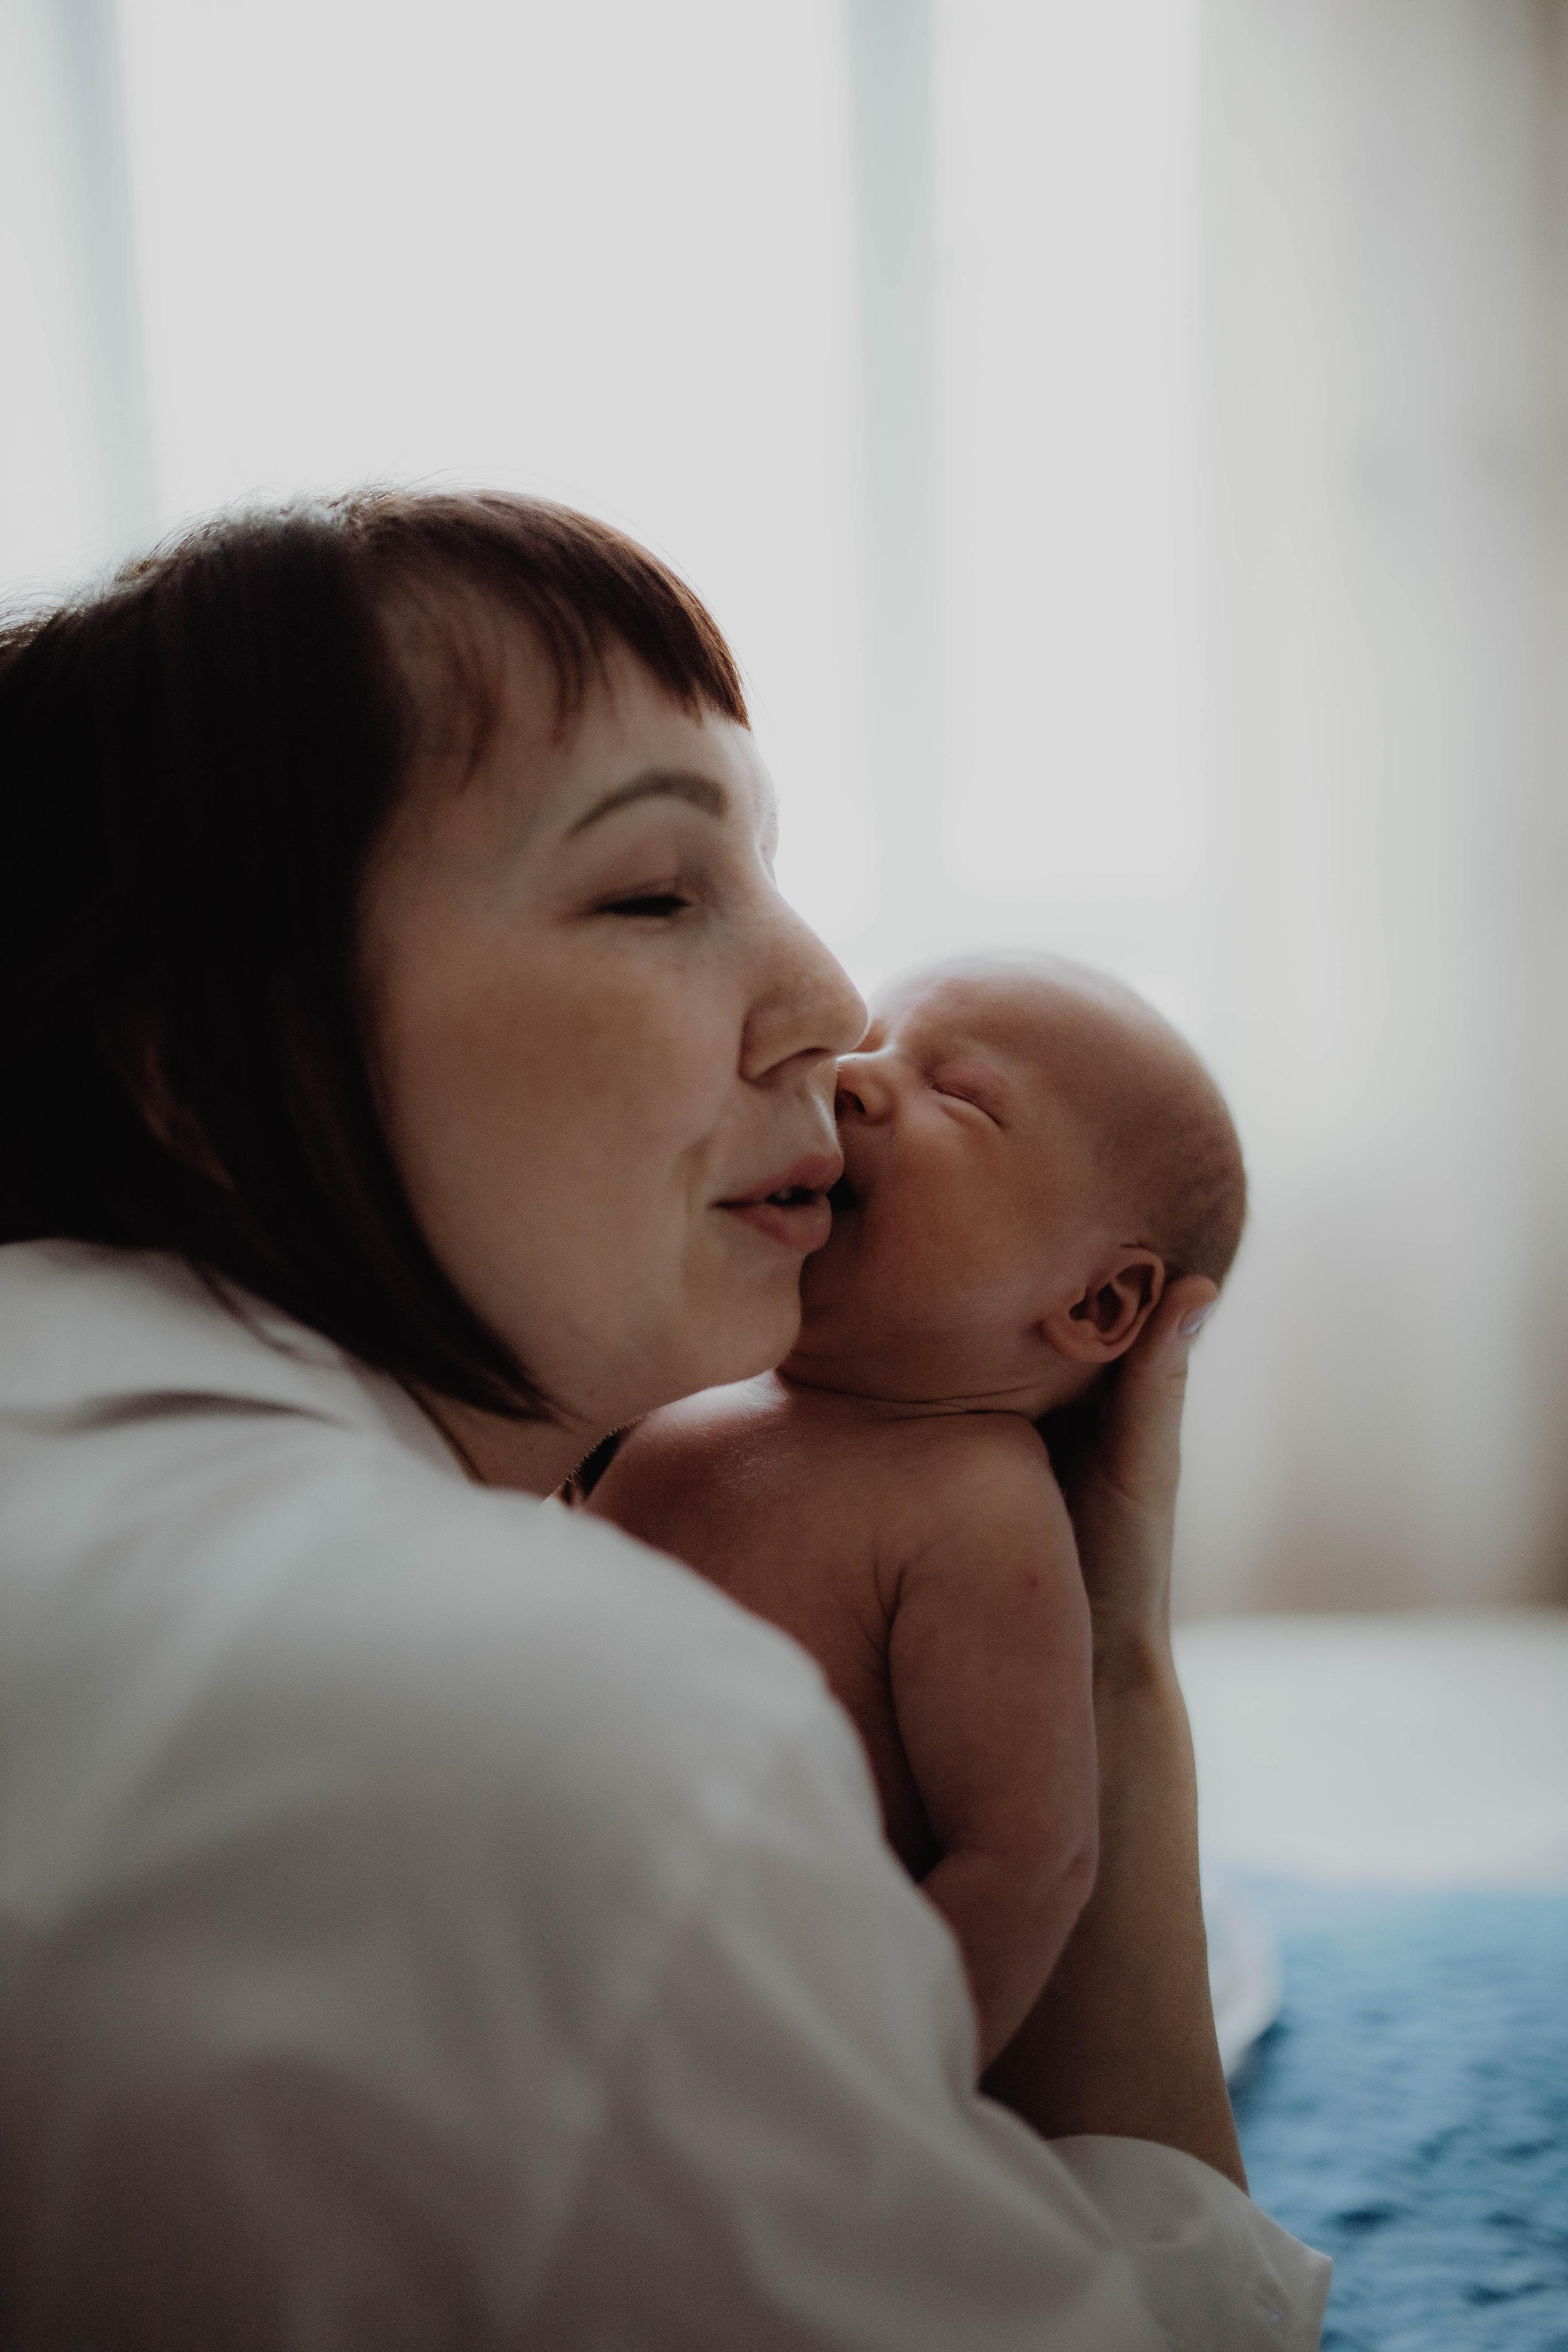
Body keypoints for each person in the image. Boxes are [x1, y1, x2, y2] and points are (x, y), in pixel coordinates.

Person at [0, 489, 1330, 2348]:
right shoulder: (574, 1748)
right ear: (207, 1066)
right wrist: (1124, 1682)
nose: (831, 1008)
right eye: (653, 892)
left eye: (769, 876)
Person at [589, 956, 1246, 2070]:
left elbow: (1026, 1864)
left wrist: (886, 2100)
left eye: (964, 1096)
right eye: (873, 1041)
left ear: (1099, 1302)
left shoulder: (975, 1502)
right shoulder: (702, 1381)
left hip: (765, 2036)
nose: (853, 1078)